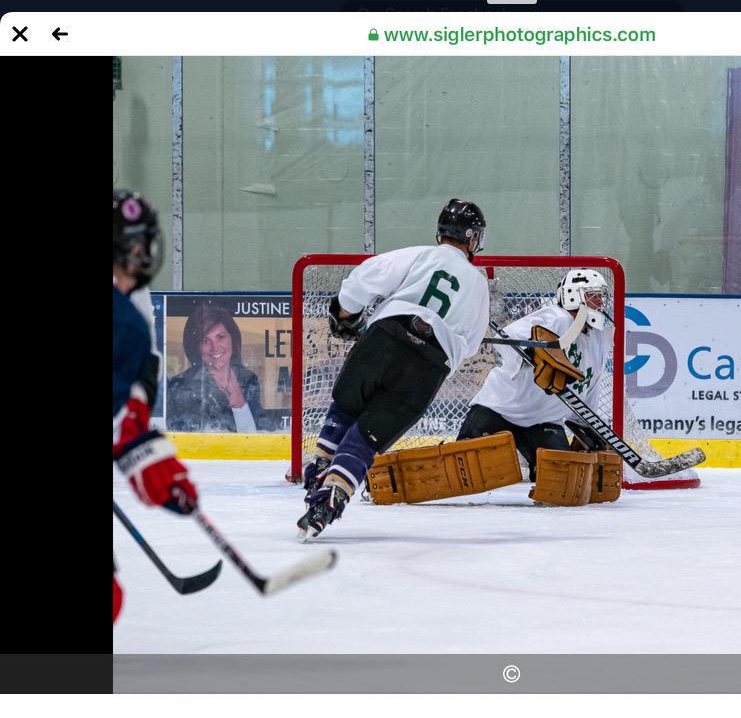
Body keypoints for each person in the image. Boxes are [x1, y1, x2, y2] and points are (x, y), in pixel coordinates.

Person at [297, 198, 493, 539]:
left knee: (348, 404)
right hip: (429, 364)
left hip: (384, 337)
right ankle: (331, 496)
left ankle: (321, 466)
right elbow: (472, 344)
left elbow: (365, 277)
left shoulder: (421, 254)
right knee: (366, 437)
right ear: (473, 238)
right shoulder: (477, 284)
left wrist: (346, 312)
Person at [112, 189, 199, 623]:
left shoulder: (128, 311)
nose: (143, 256)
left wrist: (140, 445)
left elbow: (130, 384)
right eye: (136, 246)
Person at [457, 269, 614, 483]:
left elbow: (591, 385)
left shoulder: (599, 338)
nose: (599, 301)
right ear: (572, 295)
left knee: (562, 481)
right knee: (464, 470)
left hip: (543, 422)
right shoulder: (557, 318)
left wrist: (588, 426)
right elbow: (509, 338)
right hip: (500, 409)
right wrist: (530, 352)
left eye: (601, 295)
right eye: (591, 295)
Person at [166, 303, 275, 432]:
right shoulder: (178, 386)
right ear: (196, 346)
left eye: (221, 337)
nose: (215, 347)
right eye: (205, 340)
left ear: (232, 339)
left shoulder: (248, 379)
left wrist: (238, 401)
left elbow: (260, 432)